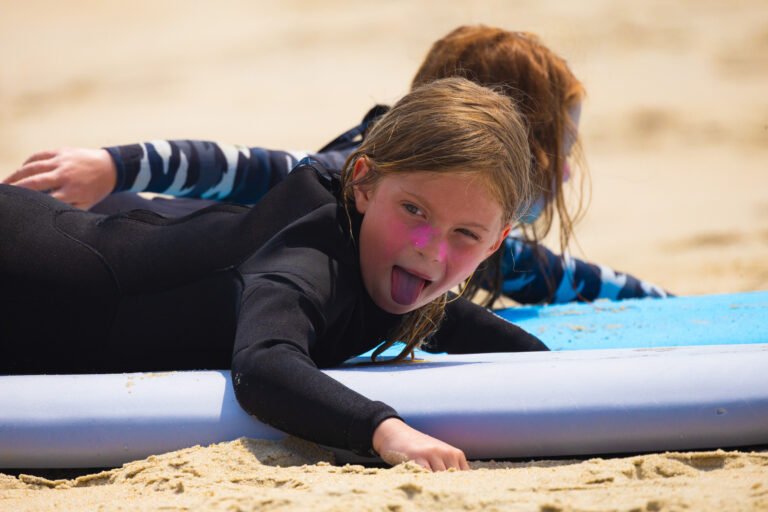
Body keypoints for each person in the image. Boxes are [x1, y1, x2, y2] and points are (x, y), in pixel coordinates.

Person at [0, 78, 548, 472]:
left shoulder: (387, 259)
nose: (430, 249)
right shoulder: (305, 261)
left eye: (465, 234)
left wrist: (543, 364)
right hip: (21, 277)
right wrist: (385, 431)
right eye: (414, 210)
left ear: (496, 241)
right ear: (362, 183)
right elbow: (264, 366)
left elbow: (455, 320)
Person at [3, 25, 670, 304]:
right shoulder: (358, 175)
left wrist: (659, 305)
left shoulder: (447, 223)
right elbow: (248, 168)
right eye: (557, 149)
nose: (566, 173)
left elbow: (549, 274)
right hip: (137, 233)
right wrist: (116, 166)